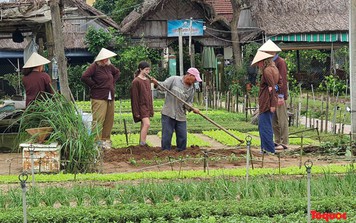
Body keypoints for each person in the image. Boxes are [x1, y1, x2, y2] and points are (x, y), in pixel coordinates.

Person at [151, 68, 202, 151]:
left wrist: (192, 108)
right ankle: (165, 152)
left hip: (181, 115)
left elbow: (189, 102)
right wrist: (156, 83)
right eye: (195, 78)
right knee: (167, 136)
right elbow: (163, 87)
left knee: (182, 136)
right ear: (189, 75)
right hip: (168, 113)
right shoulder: (174, 79)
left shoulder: (191, 89)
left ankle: (181, 152)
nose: (195, 81)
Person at [81, 48, 120, 149]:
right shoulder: (94, 67)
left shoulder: (109, 67)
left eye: (107, 58)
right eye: (104, 58)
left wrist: (111, 83)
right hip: (98, 97)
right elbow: (84, 77)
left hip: (110, 96)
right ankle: (95, 142)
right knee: (98, 120)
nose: (106, 60)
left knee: (109, 119)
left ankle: (105, 140)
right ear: (100, 59)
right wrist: (94, 85)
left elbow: (117, 73)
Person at [259, 39, 289, 149]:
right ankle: (277, 140)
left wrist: (281, 96)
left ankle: (284, 141)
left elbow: (283, 80)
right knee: (274, 120)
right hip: (273, 96)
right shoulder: (271, 65)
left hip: (278, 95)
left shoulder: (280, 62)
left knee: (282, 119)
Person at [251, 51, 280, 154]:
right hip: (268, 101)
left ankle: (268, 149)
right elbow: (278, 84)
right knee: (263, 125)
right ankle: (264, 149)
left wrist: (272, 104)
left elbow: (272, 87)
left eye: (259, 62)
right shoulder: (274, 69)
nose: (258, 65)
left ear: (263, 61)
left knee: (265, 126)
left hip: (267, 102)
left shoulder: (267, 71)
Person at [130, 61, 154, 146]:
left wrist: (151, 108)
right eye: (146, 70)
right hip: (141, 106)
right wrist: (136, 111)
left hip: (147, 106)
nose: (147, 72)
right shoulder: (136, 81)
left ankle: (142, 142)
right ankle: (143, 143)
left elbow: (149, 96)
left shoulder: (147, 81)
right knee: (147, 124)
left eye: (148, 70)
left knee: (144, 124)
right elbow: (135, 97)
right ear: (141, 69)